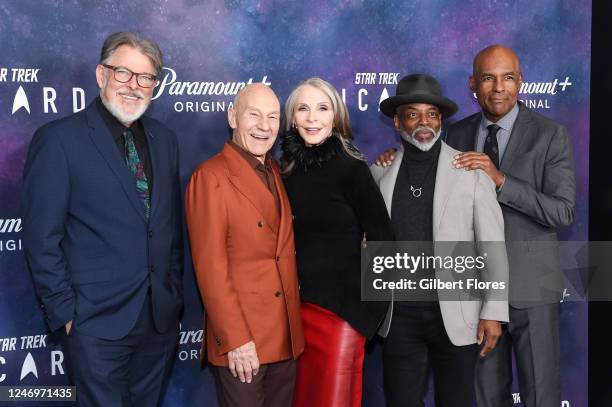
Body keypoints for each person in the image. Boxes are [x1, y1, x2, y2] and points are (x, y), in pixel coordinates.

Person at [376, 47, 576, 407]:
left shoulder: (551, 134)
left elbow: (562, 212)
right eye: (488, 78)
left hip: (533, 287)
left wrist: (501, 180)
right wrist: (394, 159)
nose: (498, 87)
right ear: (473, 83)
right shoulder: (457, 134)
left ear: (521, 81)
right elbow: (423, 161)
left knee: (541, 395)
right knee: (483, 397)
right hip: (469, 297)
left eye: (508, 77)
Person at [22, 32, 183, 406]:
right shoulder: (59, 140)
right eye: (124, 73)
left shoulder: (165, 140)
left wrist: (172, 297)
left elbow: (167, 228)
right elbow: (41, 237)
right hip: (94, 323)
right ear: (101, 75)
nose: (134, 86)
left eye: (146, 78)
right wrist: (66, 314)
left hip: (158, 321)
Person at [371, 73, 509, 407]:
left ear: (441, 120)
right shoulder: (378, 174)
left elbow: (492, 246)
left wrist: (493, 311)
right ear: (397, 120)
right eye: (413, 113)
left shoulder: (472, 172)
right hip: (398, 315)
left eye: (431, 114)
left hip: (457, 313)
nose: (424, 122)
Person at [185, 83, 304, 407]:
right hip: (244, 341)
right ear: (233, 117)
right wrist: (237, 340)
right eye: (254, 115)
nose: (264, 126)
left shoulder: (275, 170)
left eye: (272, 117)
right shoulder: (210, 177)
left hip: (285, 336)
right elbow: (210, 267)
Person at [280, 77, 394, 407]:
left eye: (322, 108)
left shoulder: (351, 167)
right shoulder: (285, 171)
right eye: (303, 108)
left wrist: (367, 313)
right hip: (296, 313)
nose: (313, 118)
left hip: (342, 315)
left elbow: (383, 239)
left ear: (336, 116)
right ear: (292, 118)